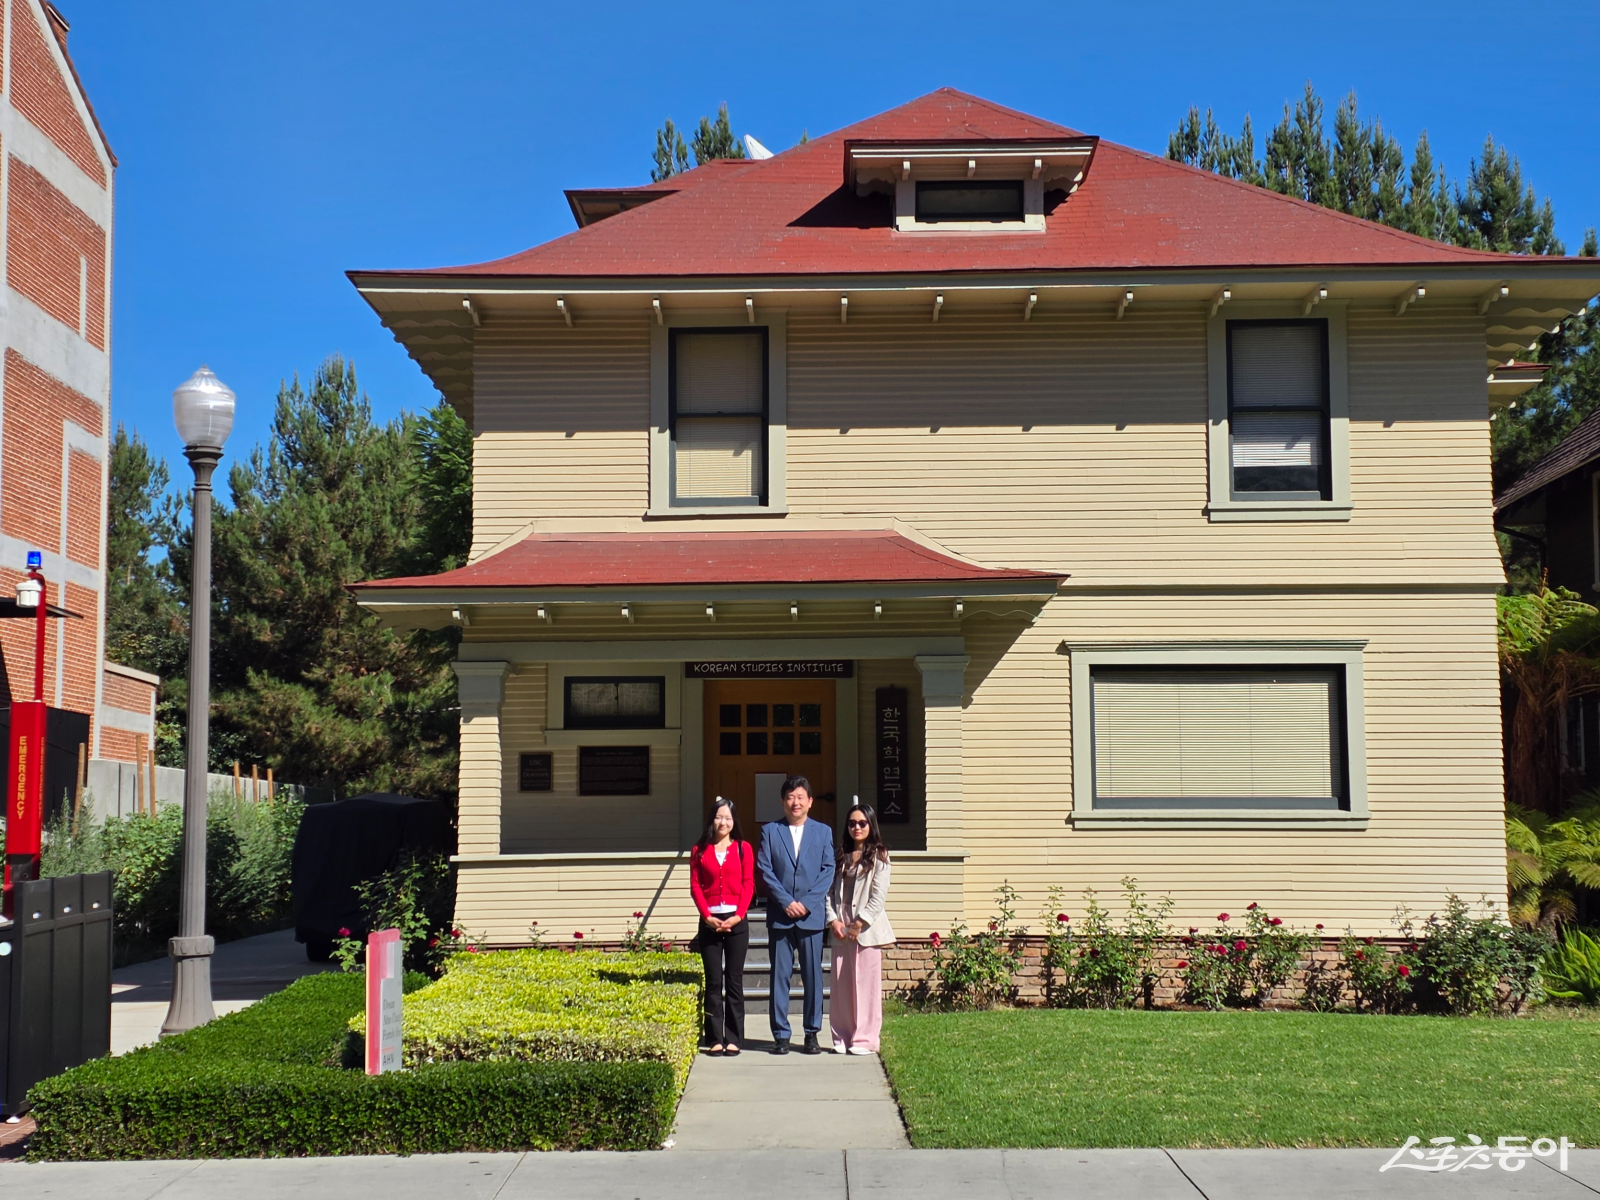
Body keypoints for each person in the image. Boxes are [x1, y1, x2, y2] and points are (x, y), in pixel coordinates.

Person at [755, 775, 835, 1054]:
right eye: (790, 797)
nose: (795, 802)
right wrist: (786, 901)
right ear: (782, 801)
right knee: (780, 976)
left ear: (810, 802)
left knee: (813, 975)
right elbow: (765, 869)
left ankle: (811, 1033)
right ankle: (780, 1034)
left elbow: (828, 869)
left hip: (810, 917)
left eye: (801, 797)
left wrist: (808, 903)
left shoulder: (823, 832)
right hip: (780, 914)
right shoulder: (770, 831)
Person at [827, 802, 895, 1054]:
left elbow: (878, 896)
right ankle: (842, 1037)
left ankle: (865, 1039)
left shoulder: (880, 855)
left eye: (862, 823)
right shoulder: (840, 855)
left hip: (866, 928)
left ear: (870, 825)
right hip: (840, 925)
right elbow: (829, 891)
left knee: (866, 986)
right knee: (841, 985)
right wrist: (832, 919)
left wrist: (858, 923)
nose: (857, 827)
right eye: (852, 823)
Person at [690, 797, 755, 1055]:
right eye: (719, 817)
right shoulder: (699, 850)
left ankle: (734, 1038)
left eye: (728, 818)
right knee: (714, 981)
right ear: (711, 820)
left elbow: (749, 883)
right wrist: (706, 916)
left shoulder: (743, 848)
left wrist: (738, 915)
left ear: (734, 821)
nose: (723, 822)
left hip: (736, 921)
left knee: (734, 981)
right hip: (710, 922)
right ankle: (715, 1038)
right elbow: (695, 886)